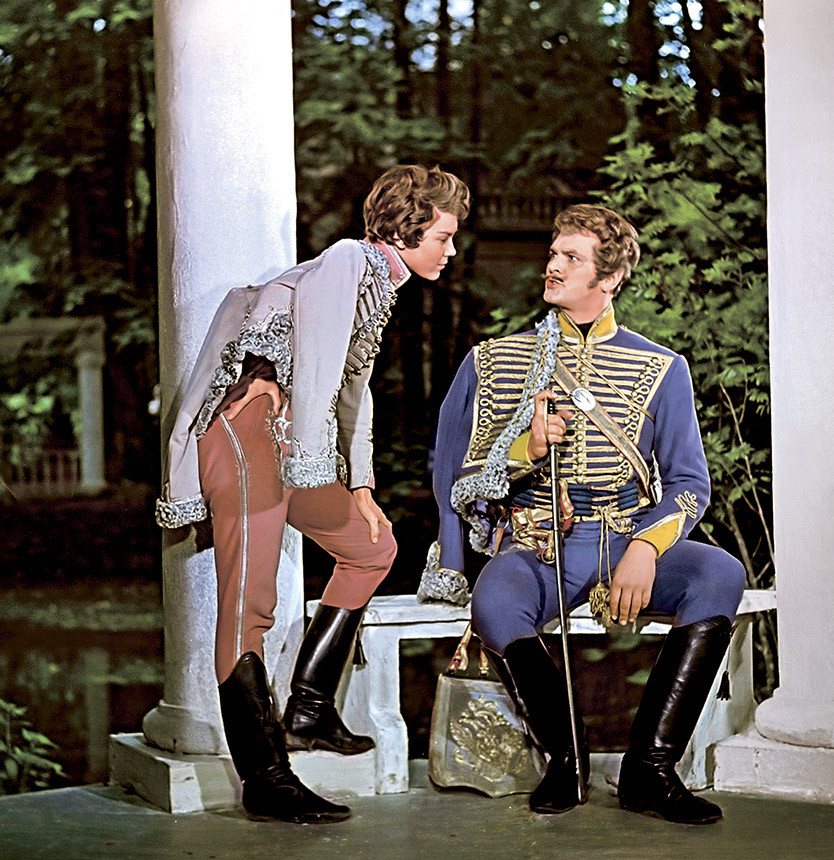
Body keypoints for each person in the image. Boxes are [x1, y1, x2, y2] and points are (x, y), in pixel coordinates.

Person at [156, 165, 470, 824]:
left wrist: (361, 485)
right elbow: (321, 374)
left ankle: (309, 708)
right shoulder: (348, 261)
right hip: (247, 431)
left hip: (290, 443)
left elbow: (353, 392)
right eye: (443, 236)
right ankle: (265, 777)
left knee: (372, 548)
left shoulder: (379, 285)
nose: (450, 249)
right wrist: (312, 462)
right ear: (405, 230)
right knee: (250, 603)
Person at [420, 203, 745, 824]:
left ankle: (649, 770)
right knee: (495, 602)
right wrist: (527, 449)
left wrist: (647, 548)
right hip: (540, 545)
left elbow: (688, 483)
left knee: (719, 574)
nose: (554, 265)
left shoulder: (661, 368)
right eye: (553, 253)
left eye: (572, 257)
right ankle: (566, 759)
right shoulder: (494, 360)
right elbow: (455, 474)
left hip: (627, 537)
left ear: (611, 277)